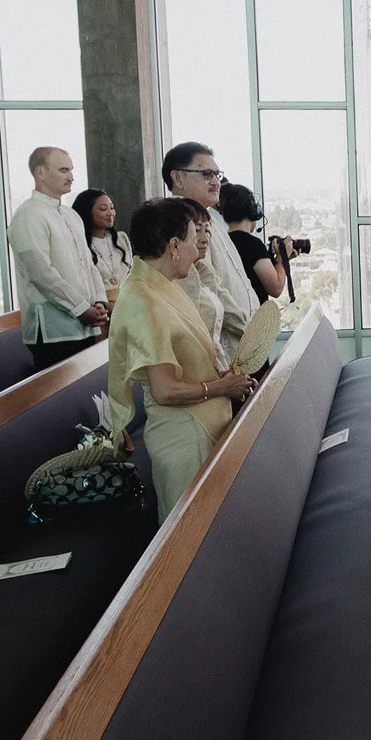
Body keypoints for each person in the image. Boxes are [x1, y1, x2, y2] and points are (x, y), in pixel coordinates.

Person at [108, 197, 255, 523]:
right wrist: (221, 386)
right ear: (174, 246)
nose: (197, 248)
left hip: (201, 424)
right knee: (189, 531)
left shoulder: (161, 284)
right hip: (184, 437)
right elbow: (165, 391)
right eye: (193, 238)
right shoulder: (144, 299)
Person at [7, 147, 108, 371]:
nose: (71, 176)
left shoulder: (71, 215)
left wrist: (99, 301)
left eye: (71, 170)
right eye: (63, 170)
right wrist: (81, 308)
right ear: (40, 172)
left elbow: (89, 265)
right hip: (53, 331)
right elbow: (41, 274)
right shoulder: (28, 215)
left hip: (86, 321)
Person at [160, 141, 255, 362]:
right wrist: (248, 328)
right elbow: (207, 288)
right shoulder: (178, 223)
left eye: (216, 174)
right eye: (206, 174)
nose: (215, 181)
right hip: (221, 350)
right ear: (178, 178)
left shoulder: (210, 218)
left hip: (243, 342)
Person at [218, 182, 286, 304]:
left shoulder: (222, 241)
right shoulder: (253, 245)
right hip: (255, 319)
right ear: (252, 210)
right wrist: (281, 259)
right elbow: (276, 288)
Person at [177, 199, 226, 350]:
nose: (204, 239)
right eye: (197, 231)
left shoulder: (204, 271)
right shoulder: (176, 278)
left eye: (207, 230)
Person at [71, 187, 133, 301]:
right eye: (103, 209)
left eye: (112, 208)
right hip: (99, 306)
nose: (110, 213)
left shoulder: (121, 239)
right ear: (86, 211)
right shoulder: (79, 244)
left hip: (128, 302)